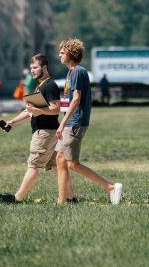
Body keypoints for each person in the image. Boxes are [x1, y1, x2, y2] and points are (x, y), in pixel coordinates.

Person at [55, 38, 122, 205]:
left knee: (72, 164)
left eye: (62, 53)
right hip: (72, 121)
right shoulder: (72, 72)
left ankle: (110, 187)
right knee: (60, 160)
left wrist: (63, 122)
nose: (59, 55)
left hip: (74, 123)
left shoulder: (77, 72)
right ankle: (63, 199)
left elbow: (76, 99)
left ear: (71, 54)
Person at [0, 54, 62, 204]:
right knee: (56, 166)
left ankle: (16, 199)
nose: (32, 70)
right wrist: (11, 121)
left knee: (33, 165)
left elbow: (55, 109)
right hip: (48, 132)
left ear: (44, 67)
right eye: (31, 67)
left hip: (45, 133)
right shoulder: (40, 85)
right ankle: (70, 197)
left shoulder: (49, 85)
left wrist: (38, 110)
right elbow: (30, 111)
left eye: (35, 67)